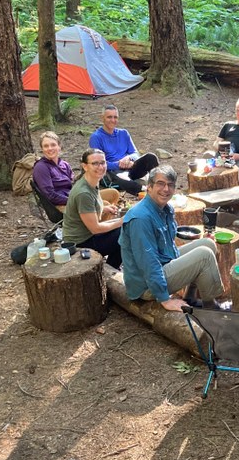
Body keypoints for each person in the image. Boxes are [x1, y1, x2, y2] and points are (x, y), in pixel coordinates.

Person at [119, 165, 224, 312]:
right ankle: (211, 308)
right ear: (149, 187)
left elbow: (168, 246)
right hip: (146, 285)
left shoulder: (165, 209)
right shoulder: (141, 218)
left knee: (208, 243)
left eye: (170, 185)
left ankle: (190, 297)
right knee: (204, 255)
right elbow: (148, 263)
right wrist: (165, 299)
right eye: (160, 184)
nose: (166, 189)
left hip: (163, 263)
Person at [62, 149, 124, 268]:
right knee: (126, 233)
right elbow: (95, 229)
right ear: (85, 166)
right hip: (81, 243)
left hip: (88, 235)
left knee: (124, 227)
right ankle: (110, 268)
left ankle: (110, 267)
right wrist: (120, 222)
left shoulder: (92, 182)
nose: (100, 167)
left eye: (103, 162)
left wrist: (105, 210)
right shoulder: (83, 193)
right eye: (95, 163)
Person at [32, 131, 120, 214]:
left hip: (75, 196)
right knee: (104, 205)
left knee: (113, 193)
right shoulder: (41, 167)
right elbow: (50, 195)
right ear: (42, 149)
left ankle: (100, 222)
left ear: (59, 146)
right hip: (61, 205)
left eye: (53, 145)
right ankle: (97, 227)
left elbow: (74, 184)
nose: (50, 148)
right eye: (46, 146)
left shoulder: (64, 164)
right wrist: (76, 200)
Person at [89, 104, 159, 196]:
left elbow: (135, 153)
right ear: (102, 118)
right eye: (109, 117)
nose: (113, 120)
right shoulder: (96, 137)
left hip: (130, 168)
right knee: (121, 178)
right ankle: (144, 191)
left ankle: (158, 184)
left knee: (151, 157)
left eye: (115, 117)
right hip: (111, 172)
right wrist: (119, 164)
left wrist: (129, 159)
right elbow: (98, 163)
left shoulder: (123, 133)